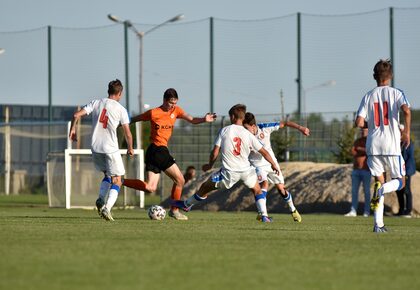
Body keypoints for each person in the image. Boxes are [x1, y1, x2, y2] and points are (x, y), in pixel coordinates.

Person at [172, 104, 281, 222]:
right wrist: (273, 164)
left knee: (205, 187)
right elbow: (264, 152)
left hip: (229, 172)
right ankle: (264, 215)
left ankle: (187, 204)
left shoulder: (225, 130)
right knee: (257, 190)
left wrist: (210, 165)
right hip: (246, 171)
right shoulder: (248, 134)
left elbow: (214, 152)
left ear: (233, 117)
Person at [122, 88, 217, 220]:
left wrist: (204, 119)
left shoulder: (176, 110)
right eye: (170, 102)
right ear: (164, 100)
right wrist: (119, 121)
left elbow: (191, 119)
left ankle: (119, 181)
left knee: (150, 187)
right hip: (157, 150)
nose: (172, 105)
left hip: (155, 151)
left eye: (175, 102)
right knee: (180, 180)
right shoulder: (154, 112)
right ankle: (174, 210)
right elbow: (134, 119)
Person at [355, 59, 411, 233]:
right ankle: (382, 191)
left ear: (374, 77)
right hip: (391, 145)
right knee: (400, 182)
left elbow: (358, 122)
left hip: (373, 145)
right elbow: (407, 111)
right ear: (390, 76)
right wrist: (406, 132)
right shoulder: (397, 93)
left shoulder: (368, 95)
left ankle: (378, 225)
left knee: (379, 182)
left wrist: (371, 126)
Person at [69, 79, 134, 221]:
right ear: (120, 93)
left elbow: (76, 115)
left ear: (108, 91)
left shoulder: (96, 103)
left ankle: (100, 199)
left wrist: (73, 129)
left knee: (107, 176)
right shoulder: (121, 109)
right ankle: (107, 208)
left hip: (95, 147)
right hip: (110, 148)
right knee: (117, 180)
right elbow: (128, 133)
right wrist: (130, 147)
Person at [242, 112, 309, 222]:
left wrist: (300, 128)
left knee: (281, 190)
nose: (244, 130)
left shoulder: (265, 128)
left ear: (253, 126)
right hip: (257, 165)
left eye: (246, 128)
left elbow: (285, 123)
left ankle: (293, 210)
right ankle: (263, 215)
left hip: (271, 162)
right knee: (263, 184)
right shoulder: (244, 135)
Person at [344, 128, 371, 217]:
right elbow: (353, 151)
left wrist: (359, 149)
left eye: (365, 131)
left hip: (366, 170)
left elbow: (369, 152)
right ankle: (353, 210)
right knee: (354, 191)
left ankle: (367, 211)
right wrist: (361, 150)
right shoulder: (357, 141)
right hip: (356, 170)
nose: (363, 132)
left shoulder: (370, 141)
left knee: (367, 192)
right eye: (362, 131)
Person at [395, 124, 416, 217]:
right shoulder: (396, 143)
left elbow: (410, 158)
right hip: (397, 170)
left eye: (400, 130)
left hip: (406, 170)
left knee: (406, 190)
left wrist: (406, 172)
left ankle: (408, 211)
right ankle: (401, 210)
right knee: (399, 190)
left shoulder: (408, 143)